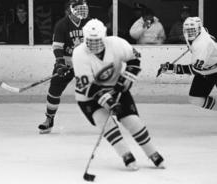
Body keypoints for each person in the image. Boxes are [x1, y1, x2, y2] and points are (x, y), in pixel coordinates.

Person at [72, 19, 165, 169]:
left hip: (116, 88)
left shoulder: (116, 43)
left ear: (104, 36)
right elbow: (88, 86)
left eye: (97, 41)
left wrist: (127, 78)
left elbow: (134, 59)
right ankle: (126, 155)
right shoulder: (79, 53)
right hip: (89, 97)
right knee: (107, 124)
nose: (94, 45)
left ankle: (152, 153)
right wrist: (108, 102)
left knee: (133, 122)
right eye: (90, 41)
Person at [38, 0, 89, 134]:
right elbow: (58, 46)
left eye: (83, 8)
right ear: (69, 11)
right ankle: (49, 120)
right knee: (54, 90)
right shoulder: (62, 24)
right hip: (67, 64)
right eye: (79, 9)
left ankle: (110, 116)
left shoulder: (89, 24)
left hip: (85, 64)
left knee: (99, 87)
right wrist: (60, 63)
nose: (82, 11)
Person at [160, 17, 217, 111]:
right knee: (196, 99)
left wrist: (173, 68)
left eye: (192, 30)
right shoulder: (200, 31)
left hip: (210, 69)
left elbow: (195, 70)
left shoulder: (203, 44)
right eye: (188, 30)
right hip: (206, 71)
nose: (190, 33)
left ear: (198, 28)